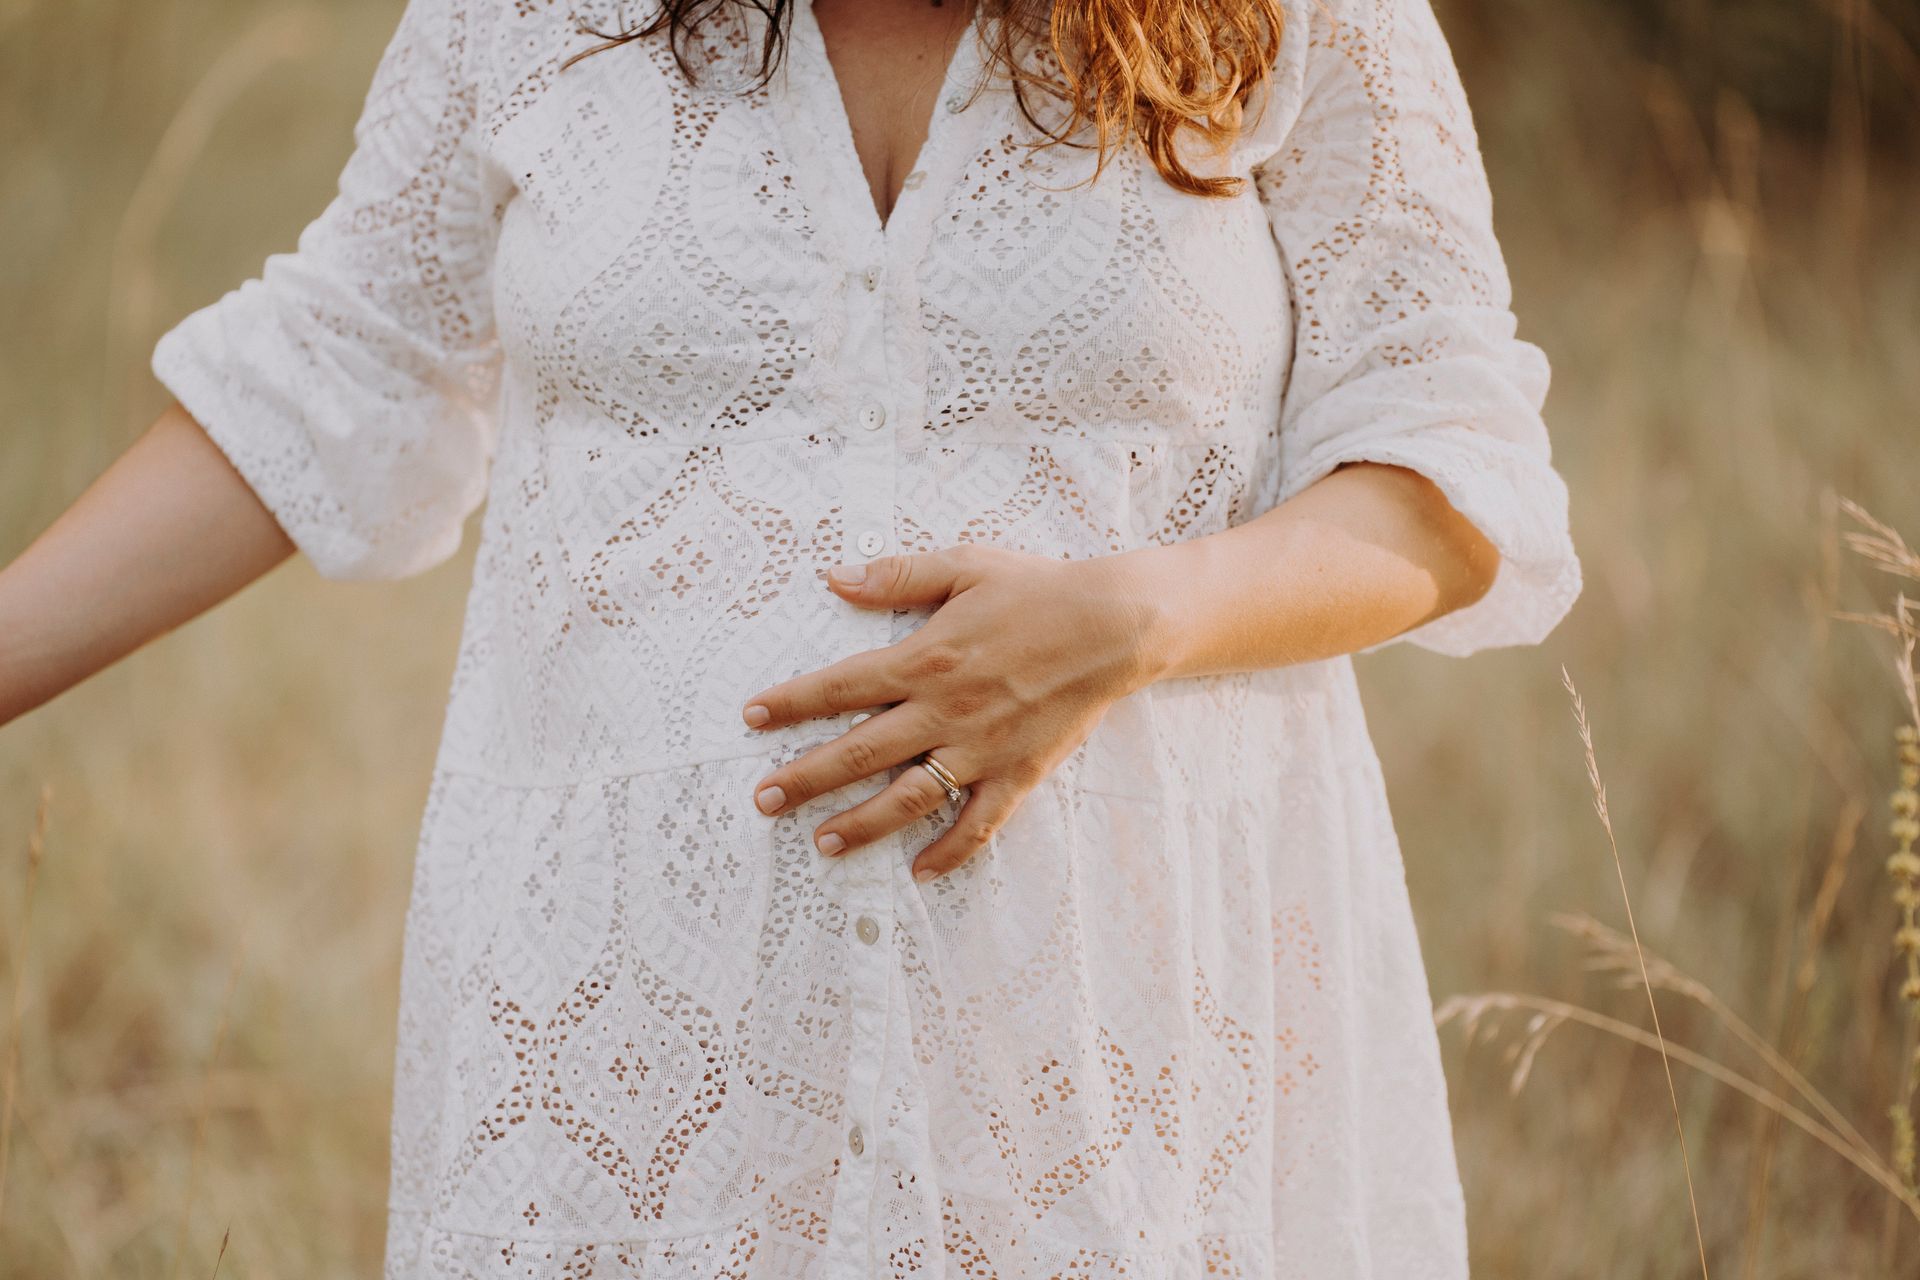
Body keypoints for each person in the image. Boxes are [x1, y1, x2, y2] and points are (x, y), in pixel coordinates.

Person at [0, 0, 1581, 1273]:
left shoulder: (1296, 16)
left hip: (1113, 1056)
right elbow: (336, 370)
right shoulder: (532, 17)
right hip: (626, 1072)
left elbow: (1449, 477)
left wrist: (1140, 618)